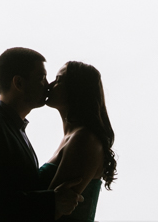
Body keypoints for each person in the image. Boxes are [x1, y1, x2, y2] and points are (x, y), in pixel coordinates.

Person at [0, 48, 84, 222]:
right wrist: (51, 201)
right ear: (18, 83)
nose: (48, 84)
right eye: (41, 78)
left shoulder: (10, 127)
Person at [38, 61, 117, 222]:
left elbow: (49, 210)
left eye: (59, 80)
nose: (51, 84)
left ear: (75, 90)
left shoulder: (84, 140)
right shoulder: (75, 137)